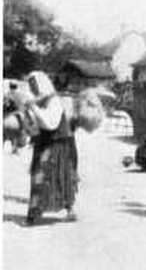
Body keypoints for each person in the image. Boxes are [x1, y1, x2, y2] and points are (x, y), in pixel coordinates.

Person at [25, 73, 104, 226]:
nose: (32, 88)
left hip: (58, 144)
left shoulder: (53, 101)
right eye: (31, 85)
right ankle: (36, 212)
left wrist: (33, 108)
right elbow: (35, 126)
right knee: (48, 176)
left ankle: (64, 210)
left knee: (61, 177)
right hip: (47, 143)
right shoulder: (41, 101)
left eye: (34, 85)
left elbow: (50, 123)